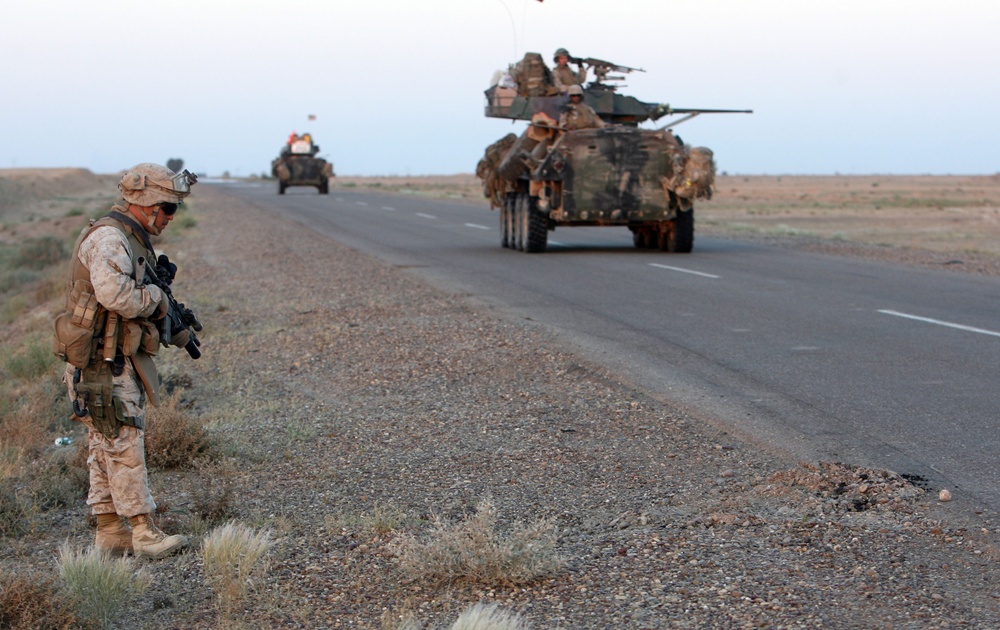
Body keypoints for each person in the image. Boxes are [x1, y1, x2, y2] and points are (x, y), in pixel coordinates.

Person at [55, 162, 197, 559]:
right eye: (168, 208)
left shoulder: (129, 236)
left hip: (106, 357)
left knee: (105, 444)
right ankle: (143, 532)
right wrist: (155, 299)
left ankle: (110, 529)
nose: (171, 217)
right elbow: (115, 296)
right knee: (124, 443)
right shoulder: (109, 239)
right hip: (102, 362)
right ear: (147, 203)